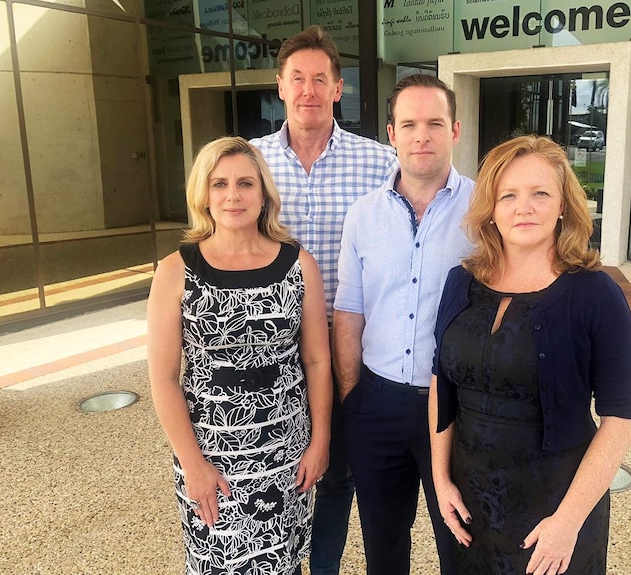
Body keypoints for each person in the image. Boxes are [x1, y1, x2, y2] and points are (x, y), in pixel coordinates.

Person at [428, 134, 631, 575]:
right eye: (509, 195)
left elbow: (621, 418)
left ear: (563, 204)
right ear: (491, 208)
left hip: (555, 506)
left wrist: (568, 522)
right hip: (469, 502)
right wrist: (440, 478)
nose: (523, 207)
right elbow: (440, 382)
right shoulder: (459, 283)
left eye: (540, 193)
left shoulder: (596, 295)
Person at [248, 25, 398, 575]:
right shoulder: (249, 165)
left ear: (339, 89)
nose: (308, 89)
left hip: (344, 348)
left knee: (334, 475)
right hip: (266, 349)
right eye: (297, 79)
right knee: (270, 471)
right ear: (280, 88)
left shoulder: (380, 163)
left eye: (320, 79)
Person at [147, 136, 332, 575]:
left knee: (282, 563)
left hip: (286, 451)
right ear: (203, 196)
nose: (233, 195)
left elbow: (318, 362)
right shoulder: (176, 270)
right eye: (220, 184)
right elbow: (163, 379)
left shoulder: (298, 263)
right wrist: (192, 463)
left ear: (264, 194)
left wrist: (320, 440)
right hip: (211, 454)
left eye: (246, 183)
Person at [333, 74, 473, 575]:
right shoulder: (363, 216)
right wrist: (353, 396)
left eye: (434, 123)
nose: (422, 135)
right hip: (378, 404)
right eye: (409, 124)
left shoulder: (484, 212)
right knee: (383, 547)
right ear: (391, 133)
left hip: (459, 410)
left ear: (455, 130)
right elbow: (349, 309)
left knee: (461, 543)